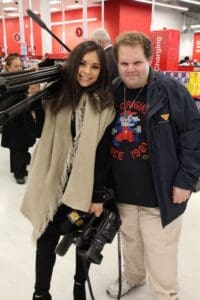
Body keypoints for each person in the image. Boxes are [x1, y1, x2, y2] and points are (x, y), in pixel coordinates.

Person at [106, 32, 200, 299]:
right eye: (124, 64)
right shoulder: (113, 90)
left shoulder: (171, 91)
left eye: (136, 62)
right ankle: (134, 277)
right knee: (131, 242)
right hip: (123, 191)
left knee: (161, 251)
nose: (130, 69)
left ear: (149, 58)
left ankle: (165, 294)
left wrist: (186, 180)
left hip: (161, 191)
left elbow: (194, 137)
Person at [20, 40, 115, 300]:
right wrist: (31, 102)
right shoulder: (58, 97)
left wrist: (97, 197)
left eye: (95, 66)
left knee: (84, 239)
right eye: (82, 64)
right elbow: (37, 134)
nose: (87, 71)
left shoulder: (105, 104)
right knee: (46, 236)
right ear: (73, 64)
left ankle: (78, 286)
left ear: (102, 71)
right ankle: (41, 293)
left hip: (84, 187)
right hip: (54, 184)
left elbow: (103, 154)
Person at [1, 53, 36, 184]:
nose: (19, 68)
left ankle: (17, 168)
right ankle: (19, 174)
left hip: (21, 117)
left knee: (18, 146)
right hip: (14, 118)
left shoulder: (17, 78)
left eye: (20, 66)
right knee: (18, 146)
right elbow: (17, 90)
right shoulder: (6, 80)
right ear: (8, 67)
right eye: (16, 66)